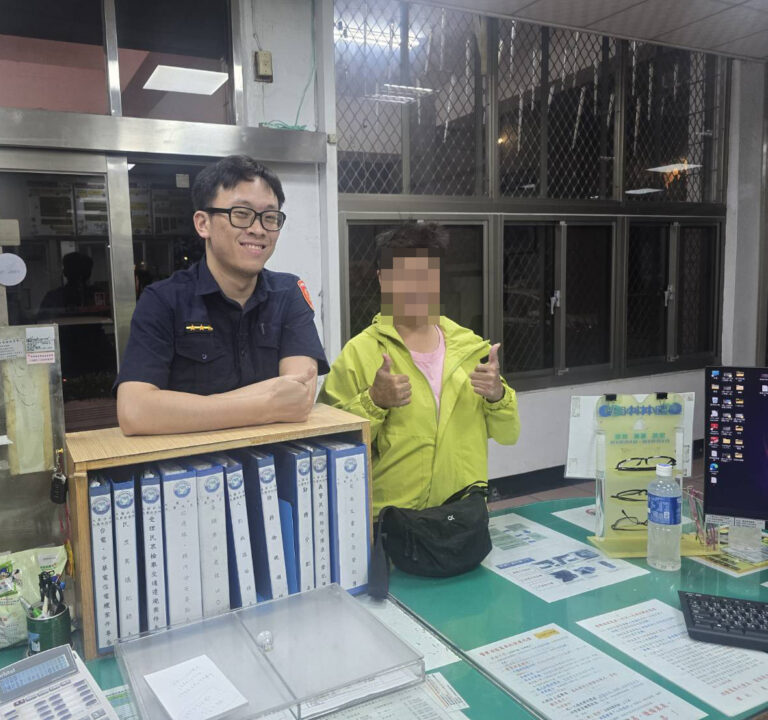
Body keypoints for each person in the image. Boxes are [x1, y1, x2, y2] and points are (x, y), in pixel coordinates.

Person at [116, 155, 329, 435]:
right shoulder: (163, 300)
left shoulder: (288, 293)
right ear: (203, 224)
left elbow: (299, 398)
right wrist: (267, 404)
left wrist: (182, 410)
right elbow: (135, 411)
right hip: (193, 462)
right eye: (241, 214)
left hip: (276, 458)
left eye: (270, 217)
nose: (258, 229)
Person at [318, 222, 520, 518]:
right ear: (382, 279)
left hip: (462, 512)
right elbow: (330, 446)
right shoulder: (359, 353)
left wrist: (497, 396)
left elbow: (508, 434)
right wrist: (373, 402)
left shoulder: (469, 348)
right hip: (392, 519)